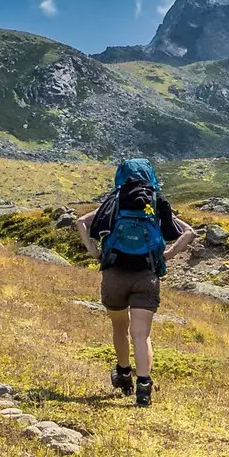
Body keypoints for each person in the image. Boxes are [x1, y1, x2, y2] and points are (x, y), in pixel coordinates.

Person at [75, 158, 189, 407]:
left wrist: (94, 252)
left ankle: (124, 373)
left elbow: (81, 222)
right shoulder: (158, 202)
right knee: (141, 334)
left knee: (119, 327)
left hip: (114, 273)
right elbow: (188, 232)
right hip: (146, 275)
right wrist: (167, 255)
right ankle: (144, 388)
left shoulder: (114, 202)